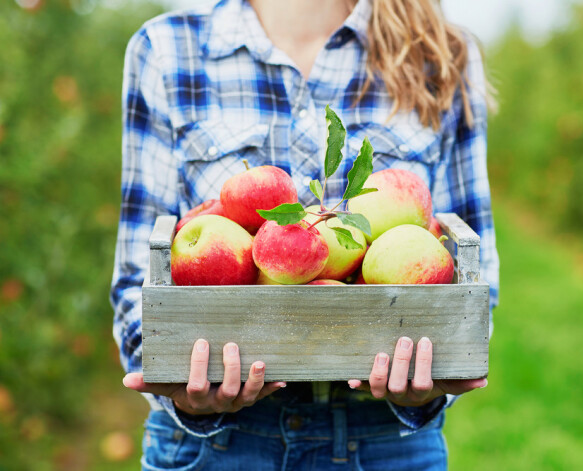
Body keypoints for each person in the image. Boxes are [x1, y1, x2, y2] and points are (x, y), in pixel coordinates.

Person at [111, 0, 499, 469]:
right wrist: (175, 380)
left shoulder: (439, 52)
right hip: (214, 446)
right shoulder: (168, 49)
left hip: (384, 439)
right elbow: (138, 271)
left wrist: (434, 380)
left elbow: (474, 271)